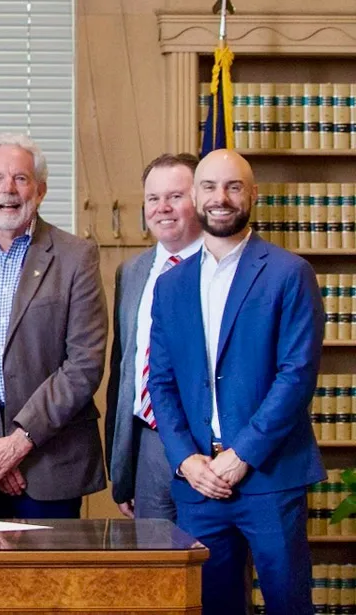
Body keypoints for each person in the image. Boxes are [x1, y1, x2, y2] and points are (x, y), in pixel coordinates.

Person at [148, 149, 324, 614]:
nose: (220, 198)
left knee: (288, 604)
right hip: (199, 484)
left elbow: (296, 376)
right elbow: (161, 383)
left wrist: (241, 456)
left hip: (270, 478)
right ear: (194, 196)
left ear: (253, 195)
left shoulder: (289, 273)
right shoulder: (171, 285)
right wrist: (186, 459)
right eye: (209, 187)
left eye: (233, 187)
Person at [0, 133, 107, 519]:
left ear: (40, 190)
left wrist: (18, 443)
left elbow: (84, 363)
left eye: (21, 179)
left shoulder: (76, 257)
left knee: (49, 581)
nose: (8, 189)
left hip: (49, 467)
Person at [105, 153, 203, 522]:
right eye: (153, 198)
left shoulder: (220, 269)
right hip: (147, 443)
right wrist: (122, 468)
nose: (163, 208)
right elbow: (124, 368)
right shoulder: (131, 272)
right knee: (154, 569)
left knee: (213, 570)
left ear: (200, 199)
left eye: (176, 196)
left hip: (203, 444)